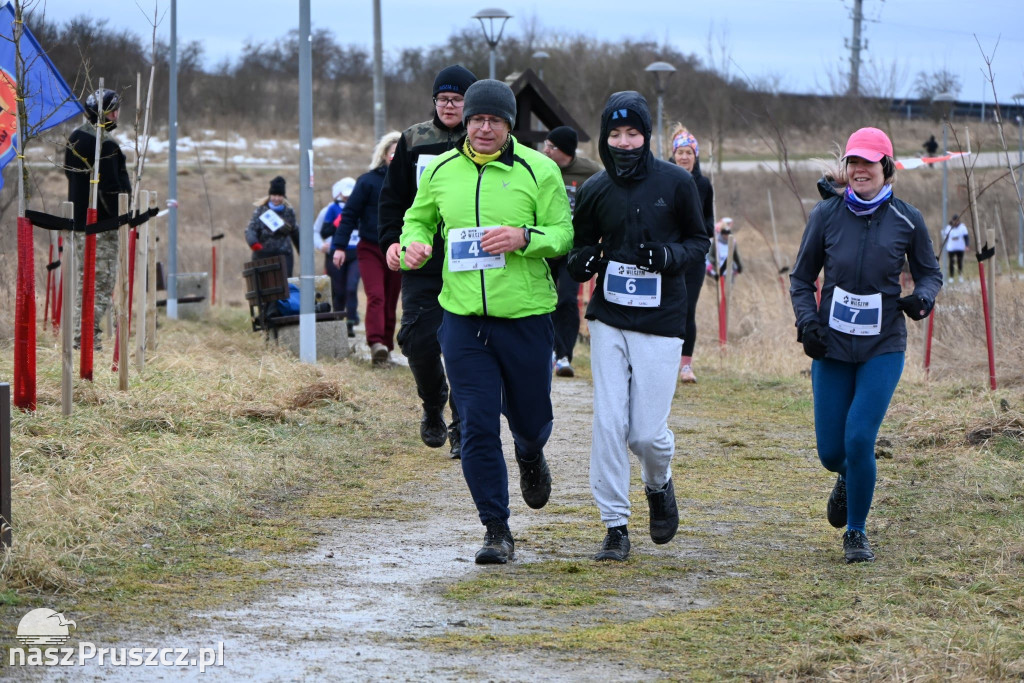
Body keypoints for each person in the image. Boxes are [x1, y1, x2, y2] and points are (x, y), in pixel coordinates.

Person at [399, 79, 573, 564]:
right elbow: (418, 219)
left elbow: (562, 235)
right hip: (462, 319)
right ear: (465, 121)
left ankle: (530, 452)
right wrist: (413, 243)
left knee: (532, 419)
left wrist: (524, 236)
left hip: (525, 318)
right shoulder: (440, 170)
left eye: (494, 120)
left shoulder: (539, 171)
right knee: (475, 424)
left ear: (508, 124)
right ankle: (496, 528)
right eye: (477, 119)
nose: (483, 127)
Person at [567, 92, 709, 562]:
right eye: (615, 134)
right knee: (609, 422)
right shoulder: (594, 190)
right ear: (605, 138)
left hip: (662, 321)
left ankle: (658, 483)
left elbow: (697, 241)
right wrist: (582, 263)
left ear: (647, 136)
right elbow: (579, 250)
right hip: (609, 319)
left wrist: (669, 257)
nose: (624, 143)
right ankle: (614, 525)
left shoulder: (677, 182)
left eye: (633, 134)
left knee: (645, 435)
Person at [790, 127, 942, 564]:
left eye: (869, 163)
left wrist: (923, 298)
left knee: (859, 439)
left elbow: (931, 273)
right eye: (853, 162)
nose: (859, 170)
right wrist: (808, 322)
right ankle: (847, 477)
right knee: (831, 452)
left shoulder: (907, 219)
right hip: (832, 346)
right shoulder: (826, 215)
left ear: (887, 169)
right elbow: (801, 278)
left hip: (883, 345)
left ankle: (856, 532)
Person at [379, 65, 477, 457]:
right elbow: (393, 199)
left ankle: (463, 424)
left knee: (466, 347)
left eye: (457, 99)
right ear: (434, 101)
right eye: (443, 99)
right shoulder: (414, 140)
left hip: (470, 262)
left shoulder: (484, 138)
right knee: (418, 341)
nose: (450, 106)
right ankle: (433, 404)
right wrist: (391, 243)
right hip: (422, 260)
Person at [65, 88, 132, 350]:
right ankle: (87, 340)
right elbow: (110, 189)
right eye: (114, 110)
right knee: (100, 283)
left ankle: (82, 337)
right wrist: (120, 215)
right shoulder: (105, 144)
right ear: (105, 113)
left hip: (79, 222)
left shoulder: (75, 137)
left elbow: (72, 177)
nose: (117, 115)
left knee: (85, 281)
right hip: (101, 225)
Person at [334, 132, 403, 366]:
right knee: (377, 295)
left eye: (400, 152)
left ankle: (386, 348)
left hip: (397, 249)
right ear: (384, 154)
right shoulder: (367, 181)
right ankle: (376, 344)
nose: (396, 156)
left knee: (392, 299)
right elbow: (350, 214)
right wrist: (340, 246)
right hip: (370, 248)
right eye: (392, 152)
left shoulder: (411, 182)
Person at [542, 125, 602, 378]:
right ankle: (545, 351)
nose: (545, 150)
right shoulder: (540, 167)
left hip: (573, 248)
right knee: (541, 301)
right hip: (543, 244)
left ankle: (564, 355)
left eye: (551, 146)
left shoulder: (590, 172)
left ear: (564, 151)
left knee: (567, 299)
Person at [667, 125, 714, 384]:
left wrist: (696, 229)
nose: (684, 157)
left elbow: (709, 222)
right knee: (666, 306)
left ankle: (686, 365)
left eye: (688, 153)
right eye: (680, 152)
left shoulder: (704, 185)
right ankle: (665, 360)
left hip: (693, 257)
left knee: (688, 309)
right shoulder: (663, 178)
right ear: (673, 154)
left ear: (695, 156)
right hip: (669, 254)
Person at [319, 177, 359, 336]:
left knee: (351, 287)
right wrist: (337, 223)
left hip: (356, 254)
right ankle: (337, 321)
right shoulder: (332, 209)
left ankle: (350, 322)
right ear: (339, 194)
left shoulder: (359, 207)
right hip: (337, 253)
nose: (348, 198)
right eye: (345, 195)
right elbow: (324, 232)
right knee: (339, 291)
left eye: (351, 195)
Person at [246, 176, 298, 277]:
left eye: (279, 195)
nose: (276, 198)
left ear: (283, 196)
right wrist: (253, 242)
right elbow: (251, 229)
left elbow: (295, 231)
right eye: (274, 195)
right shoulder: (261, 210)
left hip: (284, 255)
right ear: (270, 195)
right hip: (263, 254)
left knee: (285, 287)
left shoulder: (289, 211)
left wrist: (303, 251)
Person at [941, 214, 969, 283]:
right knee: (951, 262)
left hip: (960, 247)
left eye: (957, 221)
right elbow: (945, 237)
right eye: (954, 221)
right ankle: (951, 277)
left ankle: (960, 276)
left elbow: (966, 237)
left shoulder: (963, 227)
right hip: (951, 248)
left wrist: (967, 245)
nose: (956, 222)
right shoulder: (948, 227)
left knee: (959, 261)